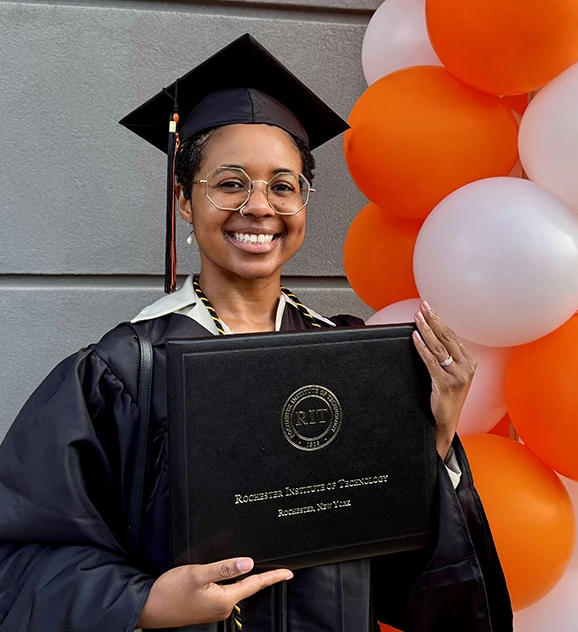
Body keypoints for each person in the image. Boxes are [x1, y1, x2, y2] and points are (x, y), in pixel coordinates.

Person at [0, 34, 512, 632]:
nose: (259, 206)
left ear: (302, 203)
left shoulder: (352, 359)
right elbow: (23, 555)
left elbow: (402, 570)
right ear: (185, 201)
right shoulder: (124, 370)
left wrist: (435, 436)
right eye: (230, 182)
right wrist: (144, 603)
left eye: (282, 185)